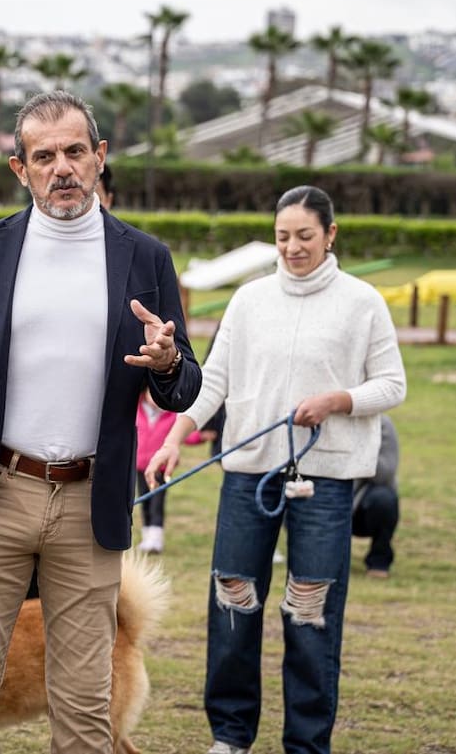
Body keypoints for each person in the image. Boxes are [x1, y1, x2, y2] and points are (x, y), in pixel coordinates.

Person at [0, 90, 201, 753]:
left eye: (75, 151)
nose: (62, 167)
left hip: (91, 502)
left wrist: (168, 361)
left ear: (100, 156)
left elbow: (183, 389)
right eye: (44, 156)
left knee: (85, 705)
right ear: (20, 168)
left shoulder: (145, 257)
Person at [145, 185, 406, 754]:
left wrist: (338, 400)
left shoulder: (363, 302)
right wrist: (175, 437)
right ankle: (230, 736)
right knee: (233, 602)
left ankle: (306, 744)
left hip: (326, 480)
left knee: (311, 613)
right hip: (248, 474)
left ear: (330, 235)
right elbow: (214, 379)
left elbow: (392, 384)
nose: (292, 247)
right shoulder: (249, 299)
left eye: (305, 236)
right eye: (283, 236)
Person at [134, 387, 202, 554]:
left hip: (160, 468)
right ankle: (147, 536)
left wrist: (201, 436)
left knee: (157, 502)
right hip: (140, 467)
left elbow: (186, 435)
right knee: (144, 501)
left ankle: (156, 539)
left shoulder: (172, 416)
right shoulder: (136, 411)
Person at [352, 414, 400, 578]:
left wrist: (357, 446)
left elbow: (384, 475)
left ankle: (379, 560)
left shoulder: (382, 423)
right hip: (324, 499)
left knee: (384, 499)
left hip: (361, 507)